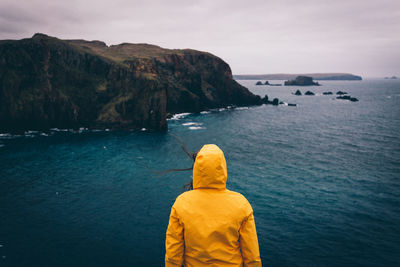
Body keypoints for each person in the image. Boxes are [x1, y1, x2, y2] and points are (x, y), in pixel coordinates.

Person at [165, 144, 262, 267]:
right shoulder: (241, 204)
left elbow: (173, 254)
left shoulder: (182, 203)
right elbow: (252, 256)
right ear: (222, 168)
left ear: (197, 169)